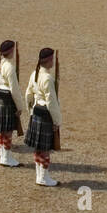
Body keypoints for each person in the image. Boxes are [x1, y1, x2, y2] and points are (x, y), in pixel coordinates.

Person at [24, 47, 62, 187]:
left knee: (38, 147)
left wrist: (31, 111)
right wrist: (57, 121)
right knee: (45, 149)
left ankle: (39, 175)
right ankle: (44, 177)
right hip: (46, 114)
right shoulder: (47, 78)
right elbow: (52, 102)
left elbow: (28, 94)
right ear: (49, 60)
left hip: (36, 111)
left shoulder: (35, 73)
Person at [0, 40, 24, 167]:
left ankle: (3, 155)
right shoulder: (10, 67)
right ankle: (6, 158)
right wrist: (20, 106)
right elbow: (15, 89)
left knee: (2, 131)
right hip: (8, 101)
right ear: (11, 51)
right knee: (7, 132)